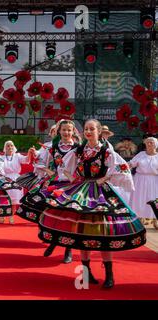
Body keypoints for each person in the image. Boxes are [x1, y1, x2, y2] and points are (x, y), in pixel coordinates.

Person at [38, 119, 146, 289]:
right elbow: (64, 165)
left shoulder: (106, 150)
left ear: (98, 132)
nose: (88, 132)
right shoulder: (79, 149)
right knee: (83, 232)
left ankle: (109, 274)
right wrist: (74, 179)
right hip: (81, 191)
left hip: (101, 192)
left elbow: (121, 167)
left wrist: (106, 178)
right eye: (86, 129)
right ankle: (87, 272)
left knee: (104, 233)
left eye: (91, 129)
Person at [18, 120, 80, 264]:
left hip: (71, 185)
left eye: (69, 130)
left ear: (73, 132)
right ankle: (53, 242)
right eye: (64, 130)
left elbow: (82, 164)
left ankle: (68, 250)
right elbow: (40, 162)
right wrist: (49, 172)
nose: (66, 133)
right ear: (59, 131)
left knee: (70, 216)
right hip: (55, 184)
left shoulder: (78, 147)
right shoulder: (53, 147)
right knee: (54, 213)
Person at [0, 141, 31, 224]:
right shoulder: (1, 158)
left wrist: (30, 153)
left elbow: (26, 159)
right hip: (5, 178)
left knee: (14, 200)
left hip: (16, 179)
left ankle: (11, 216)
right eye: (8, 146)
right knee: (4, 199)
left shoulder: (17, 156)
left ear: (14, 147)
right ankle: (2, 215)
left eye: (11, 146)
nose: (10, 147)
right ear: (5, 148)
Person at [16, 124, 57, 190]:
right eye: (53, 131)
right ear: (51, 133)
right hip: (44, 174)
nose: (55, 133)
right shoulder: (47, 144)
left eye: (57, 131)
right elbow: (39, 154)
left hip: (54, 174)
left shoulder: (63, 146)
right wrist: (34, 152)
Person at [129, 137, 158, 226]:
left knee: (154, 199)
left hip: (154, 180)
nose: (149, 144)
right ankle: (139, 218)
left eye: (151, 142)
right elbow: (131, 164)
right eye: (147, 142)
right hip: (140, 180)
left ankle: (156, 220)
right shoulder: (141, 154)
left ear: (156, 145)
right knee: (139, 199)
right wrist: (120, 168)